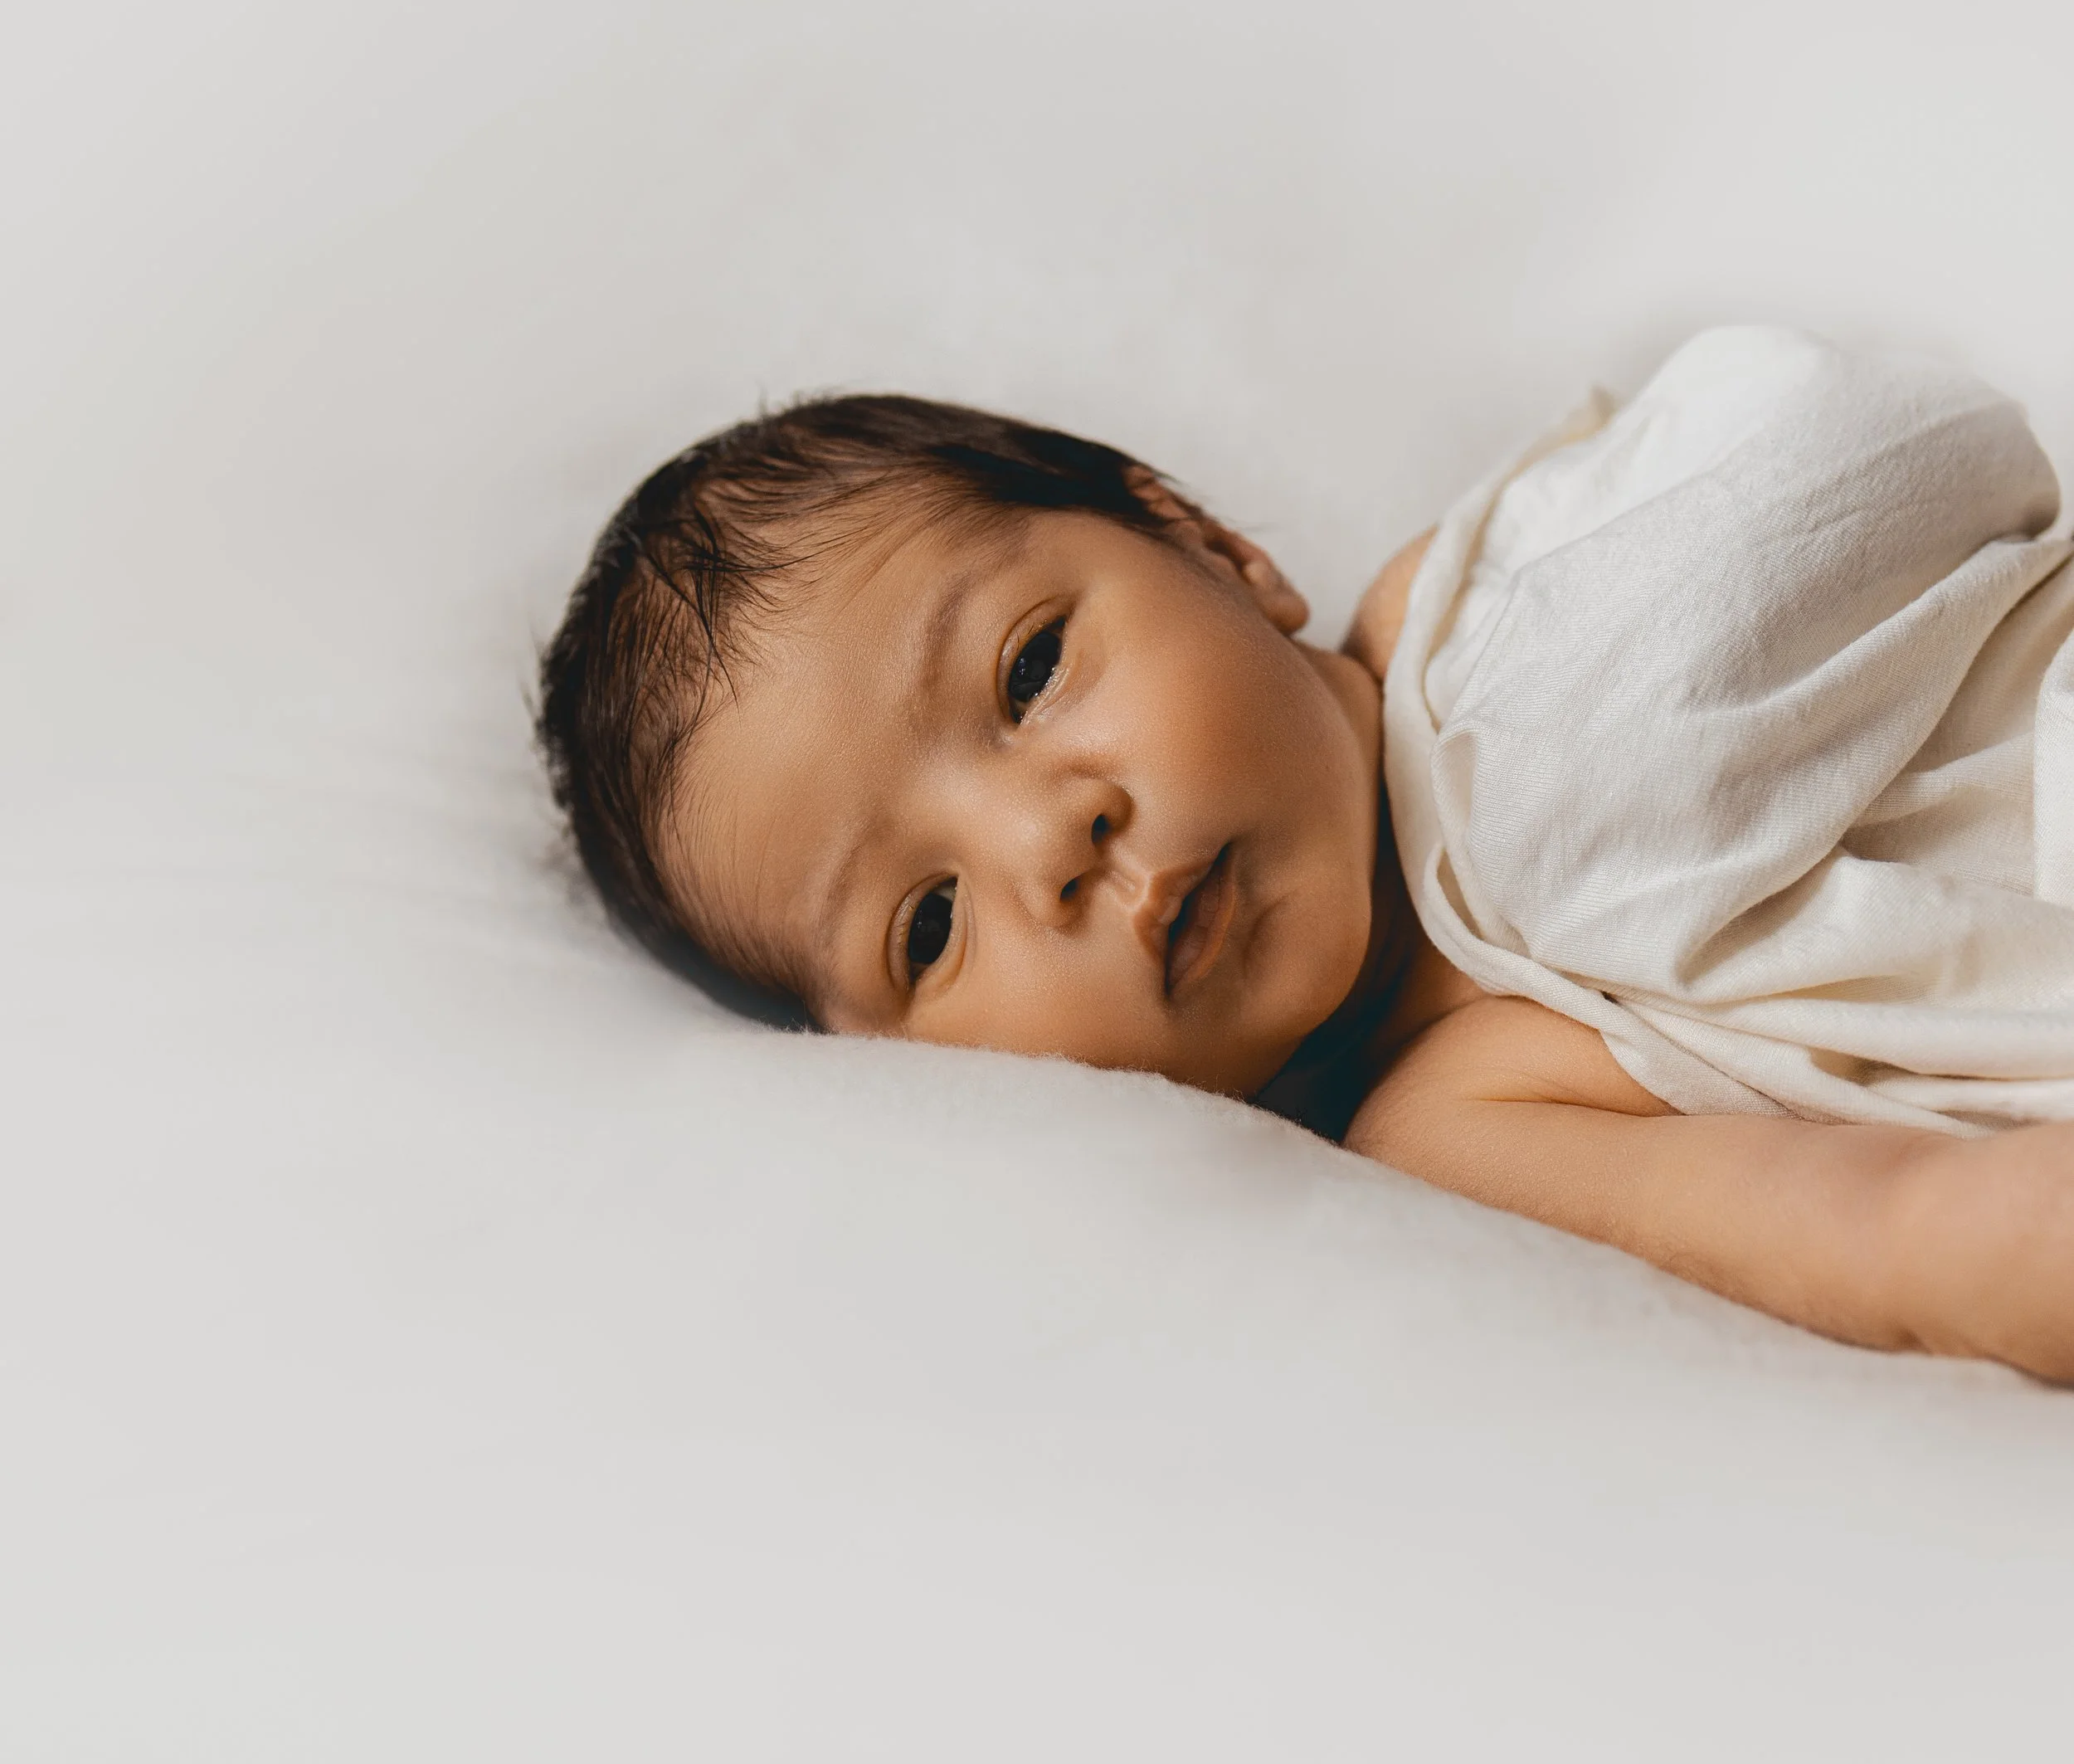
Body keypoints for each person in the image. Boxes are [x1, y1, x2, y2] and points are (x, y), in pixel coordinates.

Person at [538, 326, 2074, 1379]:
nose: (1047, 844)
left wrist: (1560, 776)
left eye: (1026, 673)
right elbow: (1895, 1236)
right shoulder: (1450, 1139)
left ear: (1212, 546)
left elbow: (1945, 445)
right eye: (928, 927)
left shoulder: (1492, 590)